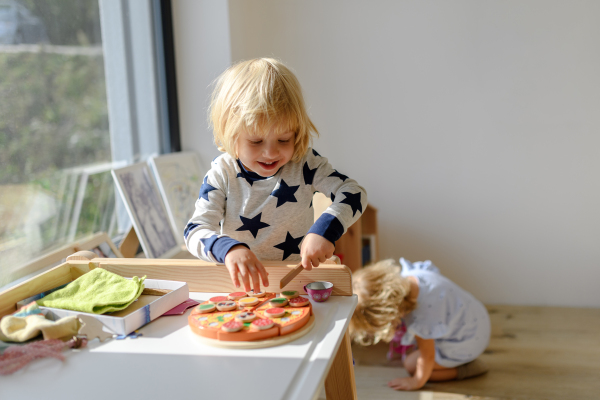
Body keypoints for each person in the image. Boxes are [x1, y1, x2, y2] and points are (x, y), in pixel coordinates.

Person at [184, 58, 367, 293]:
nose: (271, 153)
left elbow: (353, 193)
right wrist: (229, 249)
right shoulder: (222, 172)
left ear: (297, 134)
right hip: (240, 289)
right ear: (231, 135)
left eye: (284, 140)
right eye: (256, 141)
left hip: (297, 284)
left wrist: (325, 230)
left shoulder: (303, 163)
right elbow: (195, 230)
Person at [350, 258, 491, 391]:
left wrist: (416, 381)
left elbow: (427, 356)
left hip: (467, 340)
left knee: (411, 365)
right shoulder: (411, 275)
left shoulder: (423, 316)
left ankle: (465, 370)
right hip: (477, 319)